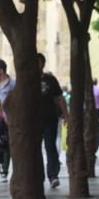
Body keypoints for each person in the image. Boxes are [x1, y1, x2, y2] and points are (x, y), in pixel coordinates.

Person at [39, 53, 69, 189]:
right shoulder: (26, 79)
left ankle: (53, 176)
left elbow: (59, 98)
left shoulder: (50, 79)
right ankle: (38, 177)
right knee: (34, 149)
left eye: (39, 62)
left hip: (50, 119)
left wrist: (66, 115)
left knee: (50, 147)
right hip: (32, 121)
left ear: (43, 64)